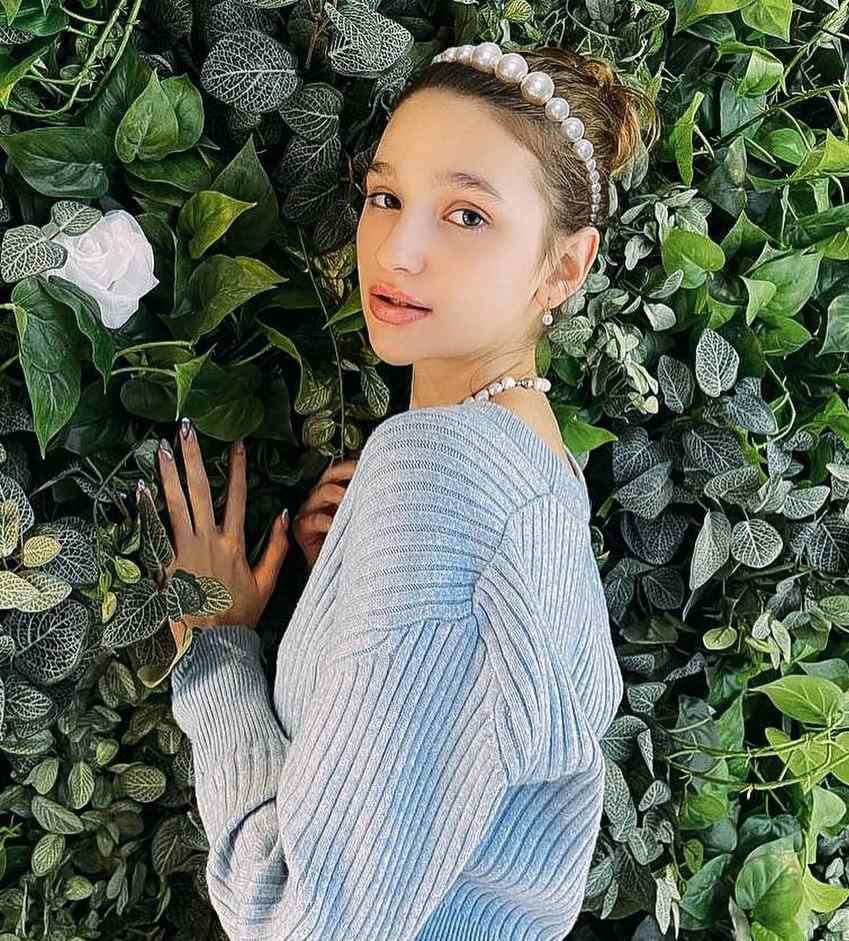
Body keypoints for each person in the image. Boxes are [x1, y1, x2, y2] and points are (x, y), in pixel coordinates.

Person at [158, 42, 658, 941]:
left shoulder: (446, 481)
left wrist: (217, 651)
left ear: (564, 266)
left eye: (467, 214)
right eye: (385, 197)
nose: (398, 249)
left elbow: (292, 921)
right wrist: (363, 580)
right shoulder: (537, 470)